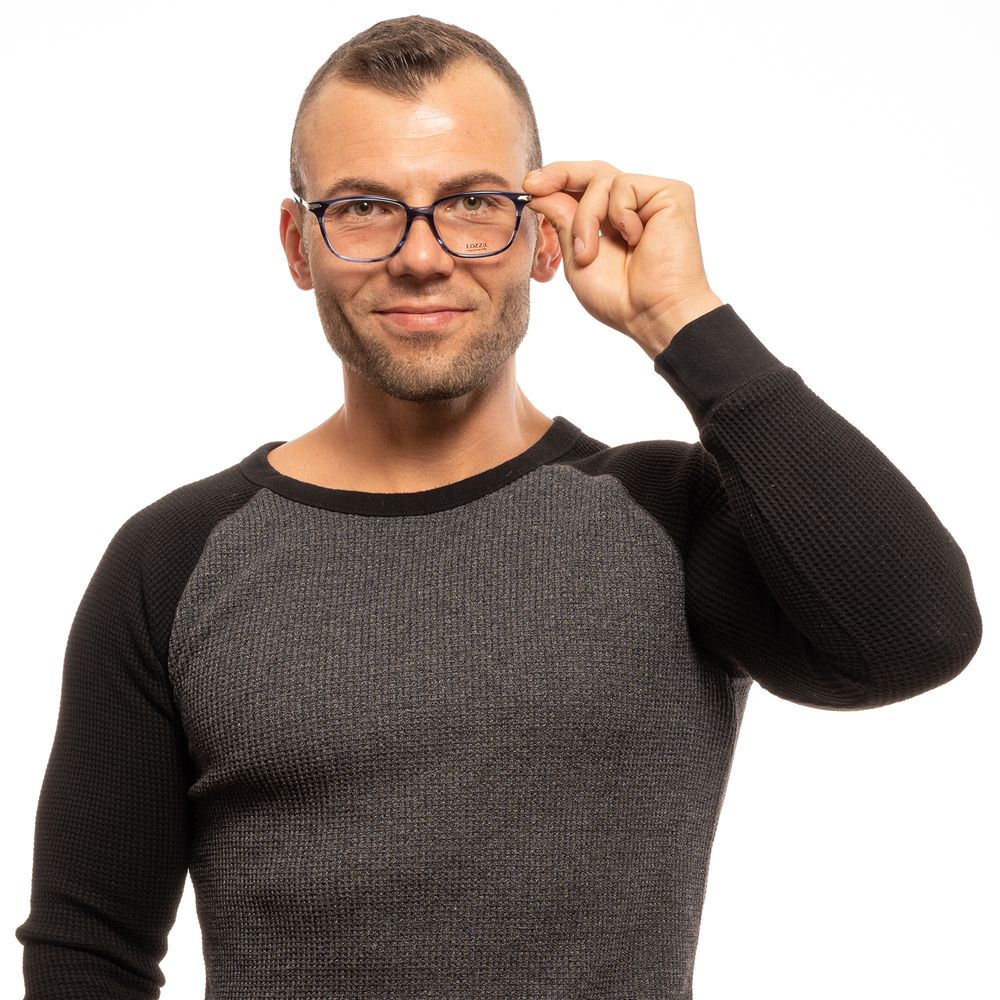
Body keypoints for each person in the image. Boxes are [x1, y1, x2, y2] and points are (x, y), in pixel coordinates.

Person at [14, 14, 982, 1000]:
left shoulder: (671, 519)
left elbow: (918, 635)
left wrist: (679, 320)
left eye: (473, 202)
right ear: (298, 244)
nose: (423, 255)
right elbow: (87, 952)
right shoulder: (175, 558)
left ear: (543, 235)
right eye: (362, 207)